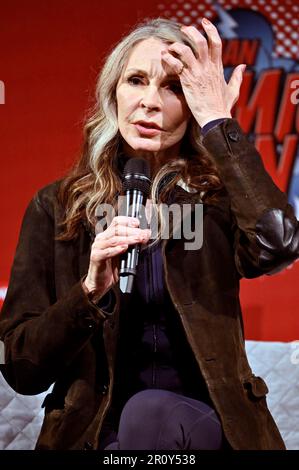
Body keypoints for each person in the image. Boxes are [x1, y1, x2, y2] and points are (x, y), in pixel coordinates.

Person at [0, 17, 298, 451]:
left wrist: (218, 122)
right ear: (112, 93)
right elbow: (21, 368)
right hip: (96, 438)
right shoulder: (57, 206)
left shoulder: (217, 200)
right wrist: (88, 292)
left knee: (150, 410)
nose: (150, 102)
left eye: (175, 87)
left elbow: (280, 244)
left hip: (208, 431)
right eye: (136, 80)